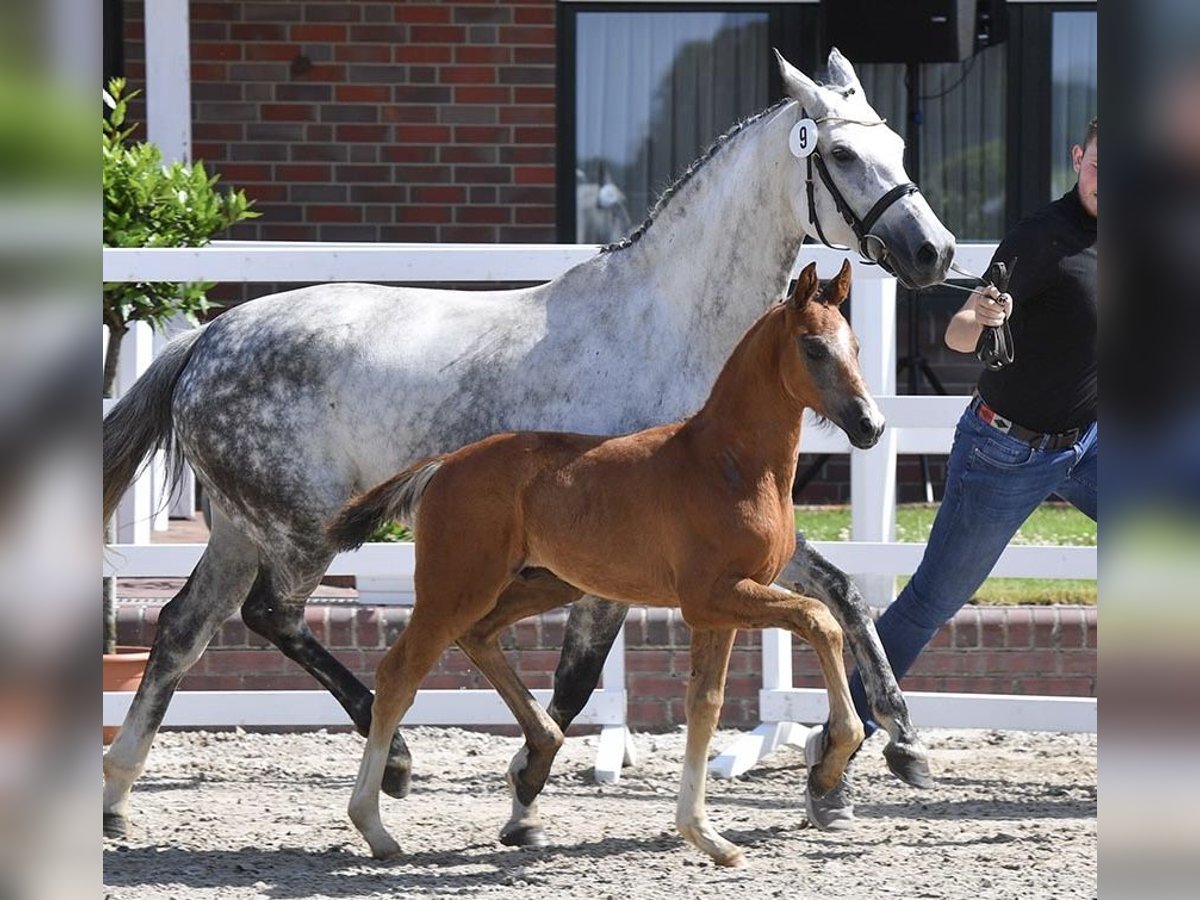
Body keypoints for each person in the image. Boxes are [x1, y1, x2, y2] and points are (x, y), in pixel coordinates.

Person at [805, 119, 1098, 831]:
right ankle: (834, 753)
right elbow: (960, 335)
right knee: (930, 604)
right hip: (1005, 451)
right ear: (1079, 158)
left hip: (1094, 444)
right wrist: (982, 313)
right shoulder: (1041, 238)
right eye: (1103, 164)